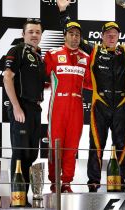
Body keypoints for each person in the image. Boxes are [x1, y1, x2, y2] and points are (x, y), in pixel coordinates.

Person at [56, 0, 125, 193]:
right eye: (108, 34)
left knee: (122, 146)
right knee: (96, 145)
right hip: (99, 104)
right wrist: (62, 11)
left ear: (118, 37)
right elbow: (72, 36)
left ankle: (119, 180)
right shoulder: (93, 50)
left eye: (115, 34)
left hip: (121, 105)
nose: (111, 36)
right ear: (102, 36)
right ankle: (93, 182)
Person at [44, 21, 92, 193]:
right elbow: (42, 80)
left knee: (72, 146)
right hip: (57, 105)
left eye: (77, 35)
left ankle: (66, 182)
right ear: (64, 35)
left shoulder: (86, 58)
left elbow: (90, 84)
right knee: (55, 145)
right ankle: (54, 181)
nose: (74, 37)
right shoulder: (52, 54)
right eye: (71, 34)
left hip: (77, 106)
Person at [3, 18, 46, 206]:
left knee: (31, 154)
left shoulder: (38, 55)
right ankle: (17, 200)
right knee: (19, 153)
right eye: (31, 31)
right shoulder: (17, 50)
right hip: (21, 108)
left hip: (35, 109)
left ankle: (25, 199)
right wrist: (16, 107)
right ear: (23, 34)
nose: (34, 35)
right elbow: (7, 77)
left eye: (37, 32)